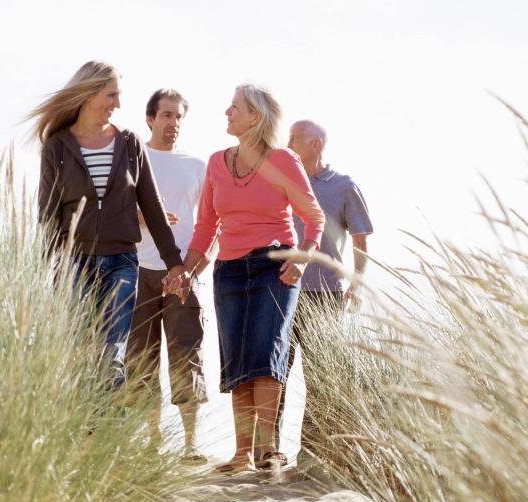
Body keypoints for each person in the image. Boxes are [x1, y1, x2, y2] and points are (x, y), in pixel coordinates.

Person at [167, 85, 324, 474]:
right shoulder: (218, 163)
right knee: (237, 360)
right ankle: (241, 455)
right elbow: (206, 226)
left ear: (256, 117)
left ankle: (267, 450)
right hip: (229, 270)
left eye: (234, 108)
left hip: (275, 265)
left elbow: (313, 217)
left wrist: (302, 259)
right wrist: (186, 269)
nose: (226, 112)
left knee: (266, 354)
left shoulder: (284, 160)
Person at [29, 61, 186, 388]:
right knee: (79, 351)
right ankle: (84, 433)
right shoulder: (56, 146)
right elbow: (48, 214)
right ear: (88, 94)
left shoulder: (129, 144)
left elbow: (152, 206)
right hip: (75, 263)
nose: (117, 104)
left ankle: (107, 431)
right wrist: (46, 270)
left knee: (111, 351)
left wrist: (175, 264)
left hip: (121, 263)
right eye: (111, 95)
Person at [277, 120, 375, 459]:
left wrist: (356, 284)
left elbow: (361, 240)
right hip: (281, 291)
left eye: (294, 138)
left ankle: (313, 456)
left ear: (315, 144)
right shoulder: (281, 183)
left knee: (320, 375)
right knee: (275, 372)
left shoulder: (343, 186)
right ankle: (269, 453)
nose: (287, 143)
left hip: (325, 294)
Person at [126, 88, 209, 460]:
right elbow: (109, 214)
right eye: (166, 116)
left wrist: (192, 270)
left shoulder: (196, 166)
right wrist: (148, 219)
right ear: (150, 118)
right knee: (140, 359)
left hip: (181, 276)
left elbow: (211, 224)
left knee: (186, 355)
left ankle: (191, 446)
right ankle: (153, 442)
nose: (173, 123)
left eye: (178, 117)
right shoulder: (131, 159)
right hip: (136, 269)